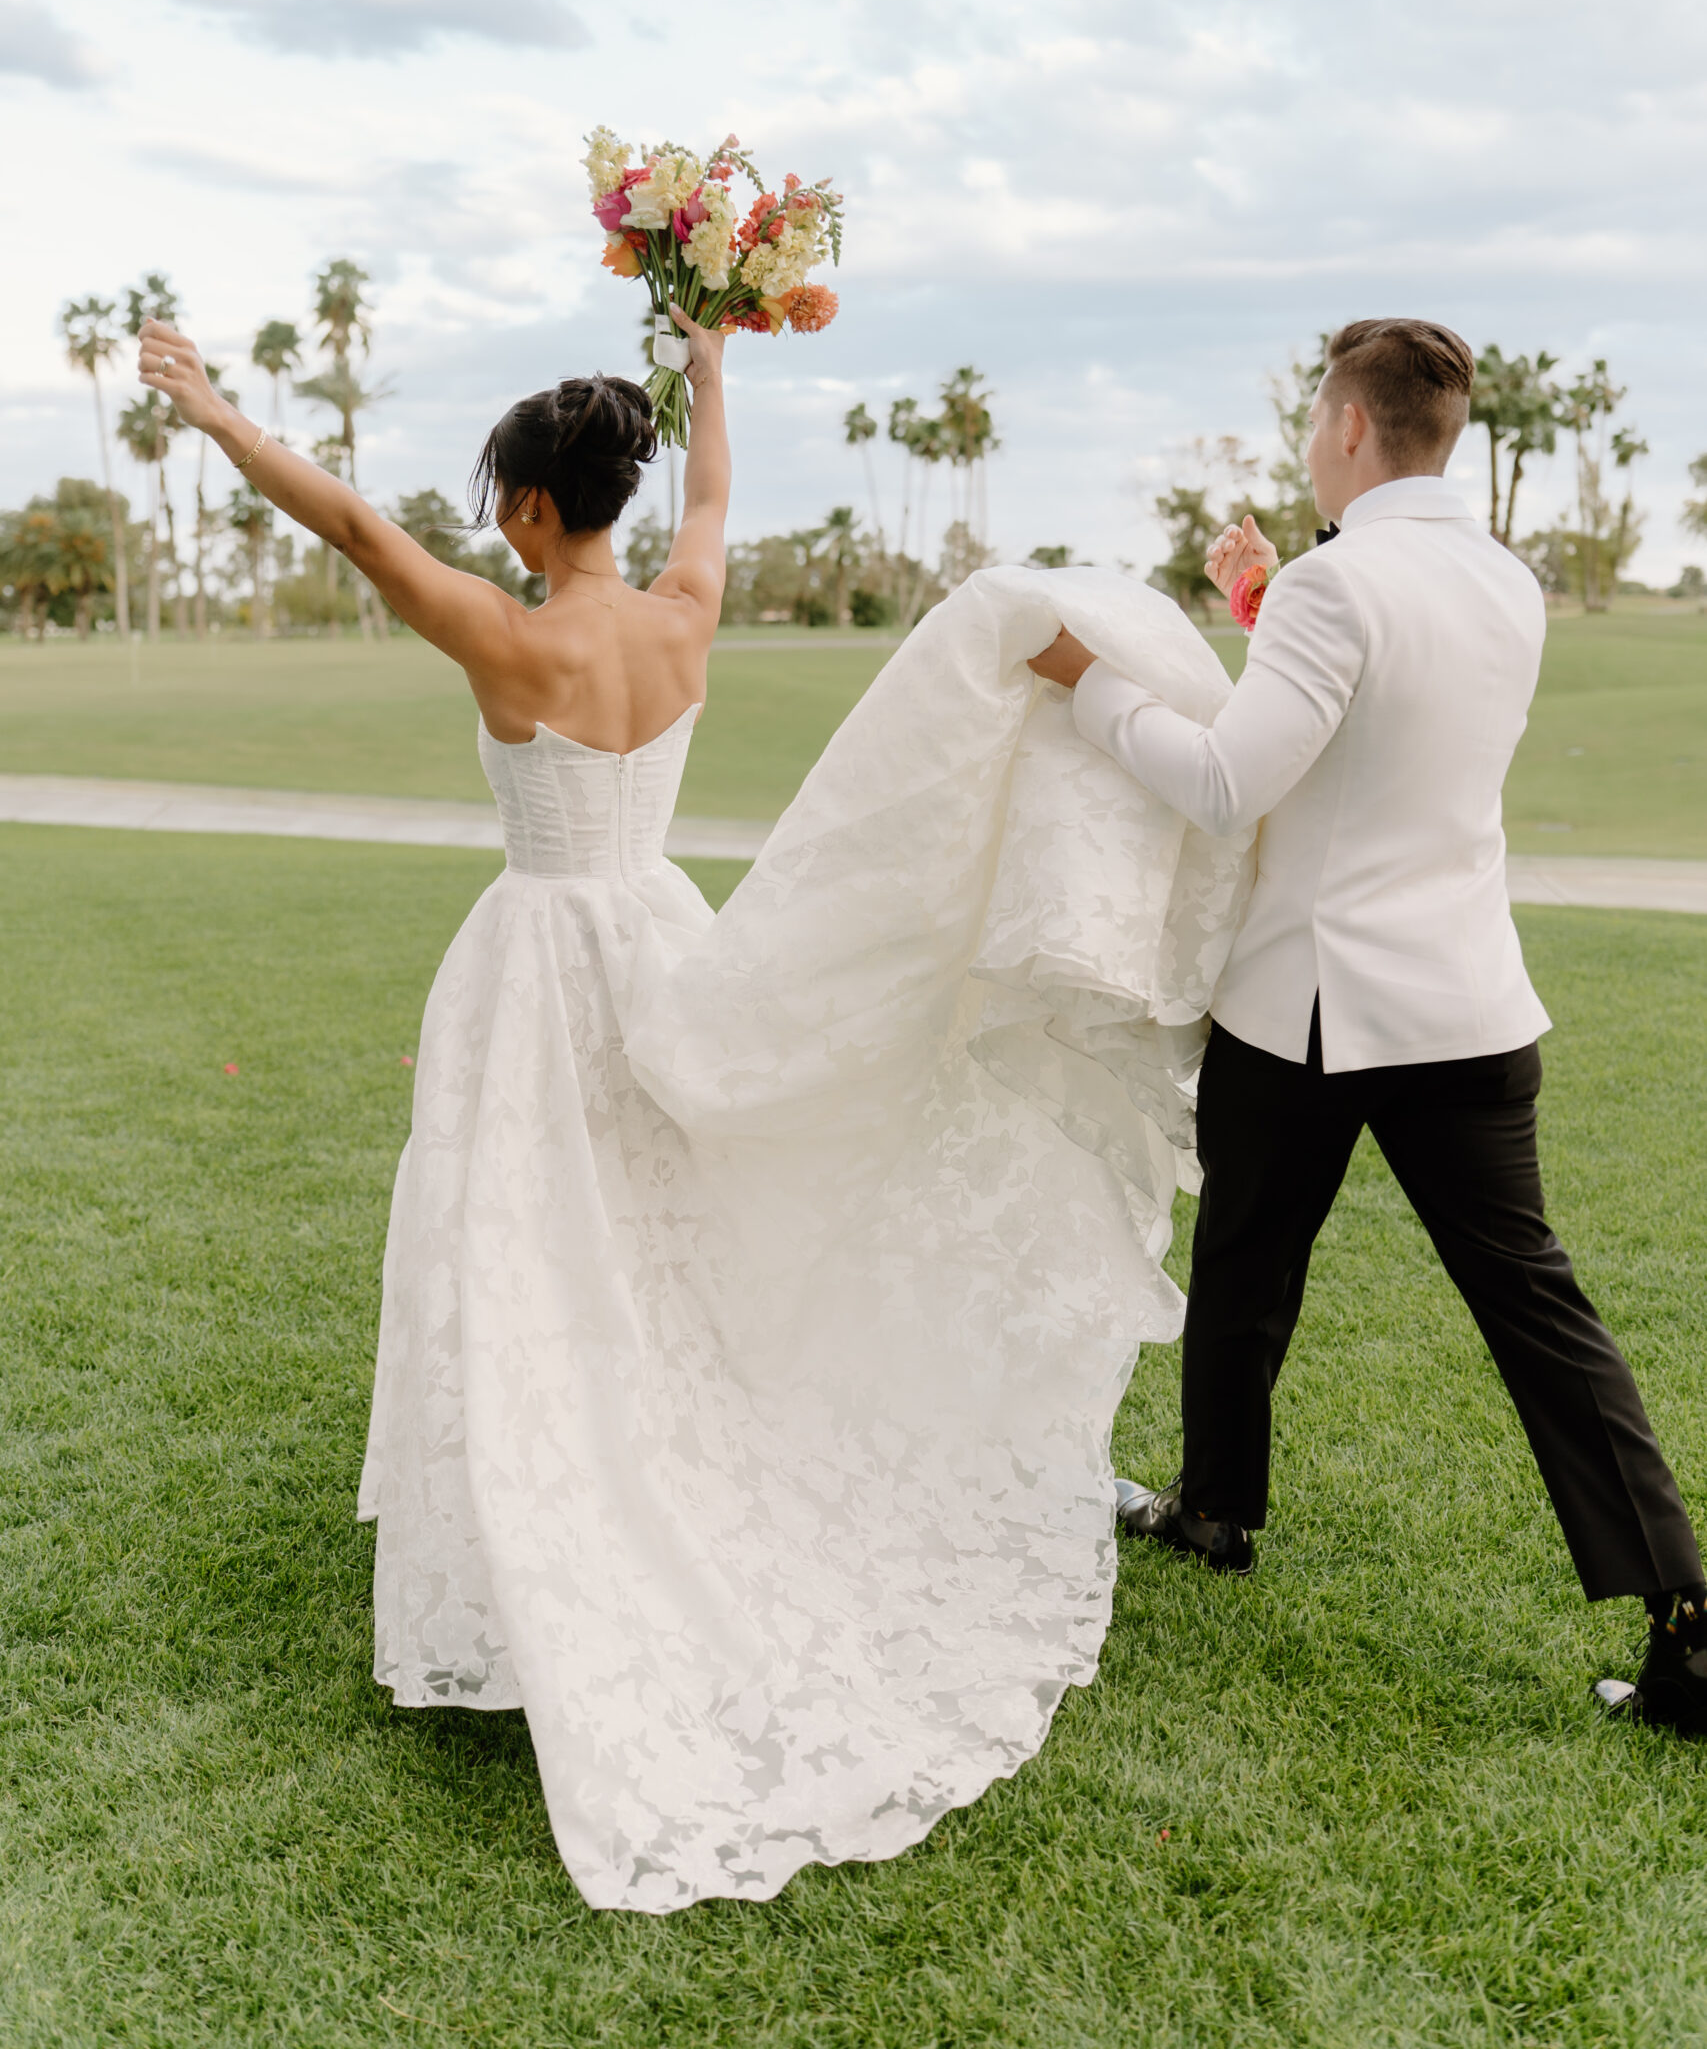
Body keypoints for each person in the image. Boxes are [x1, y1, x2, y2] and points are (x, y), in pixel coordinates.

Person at [134, 307, 1239, 1910]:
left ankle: (561, 1511)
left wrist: (225, 420)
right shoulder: (682, 612)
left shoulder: (515, 637)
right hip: (659, 936)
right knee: (659, 1238)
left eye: (497, 494)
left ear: (527, 509)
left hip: (537, 957)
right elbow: (712, 510)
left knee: (527, 1236)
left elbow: (360, 531)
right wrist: (716, 375)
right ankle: (652, 1457)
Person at [1027, 316, 1707, 1735]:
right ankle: (1687, 1615)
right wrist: (1275, 607)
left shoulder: (1344, 587)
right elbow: (1386, 720)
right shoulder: (1501, 582)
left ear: (1346, 426)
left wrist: (1080, 679)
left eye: (1312, 420)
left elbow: (1223, 783)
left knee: (1249, 1267)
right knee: (1534, 1308)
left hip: (1316, 1008)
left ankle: (1217, 1507)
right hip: (1463, 999)